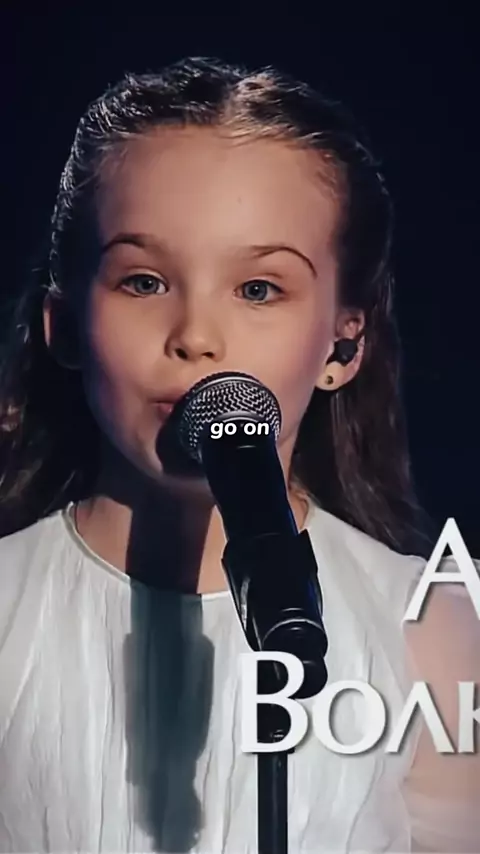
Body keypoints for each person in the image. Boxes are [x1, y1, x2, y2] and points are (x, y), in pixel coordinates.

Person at [0, 56, 478, 853]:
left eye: (258, 289)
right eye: (144, 281)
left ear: (344, 343)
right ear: (65, 324)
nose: (196, 337)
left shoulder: (433, 629)